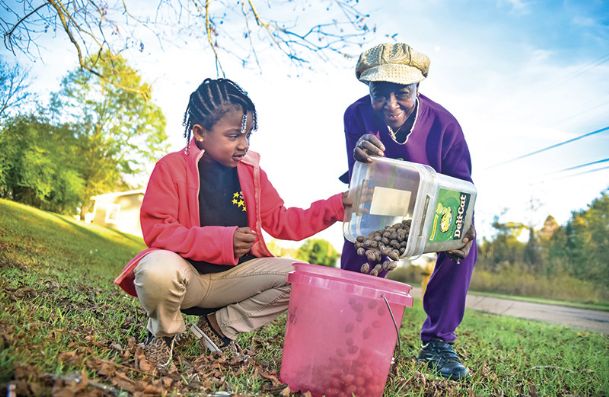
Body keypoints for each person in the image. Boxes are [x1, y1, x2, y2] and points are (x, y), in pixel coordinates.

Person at [114, 77, 350, 370]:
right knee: (155, 269)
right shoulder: (171, 168)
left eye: (248, 135)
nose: (244, 144)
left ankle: (218, 327)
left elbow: (284, 222)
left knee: (303, 278)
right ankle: (162, 334)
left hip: (234, 281)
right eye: (233, 135)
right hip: (186, 278)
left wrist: (337, 206)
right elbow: (158, 231)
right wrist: (222, 241)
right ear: (200, 133)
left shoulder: (252, 174)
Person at [339, 42, 477, 380]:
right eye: (379, 94)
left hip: (433, 207)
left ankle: (438, 343)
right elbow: (359, 184)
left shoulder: (445, 125)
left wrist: (461, 227)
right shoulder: (356, 114)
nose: (390, 105)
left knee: (466, 244)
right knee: (361, 240)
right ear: (368, 91)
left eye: (402, 93)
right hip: (384, 201)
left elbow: (462, 187)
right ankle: (356, 331)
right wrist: (360, 152)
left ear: (417, 87)